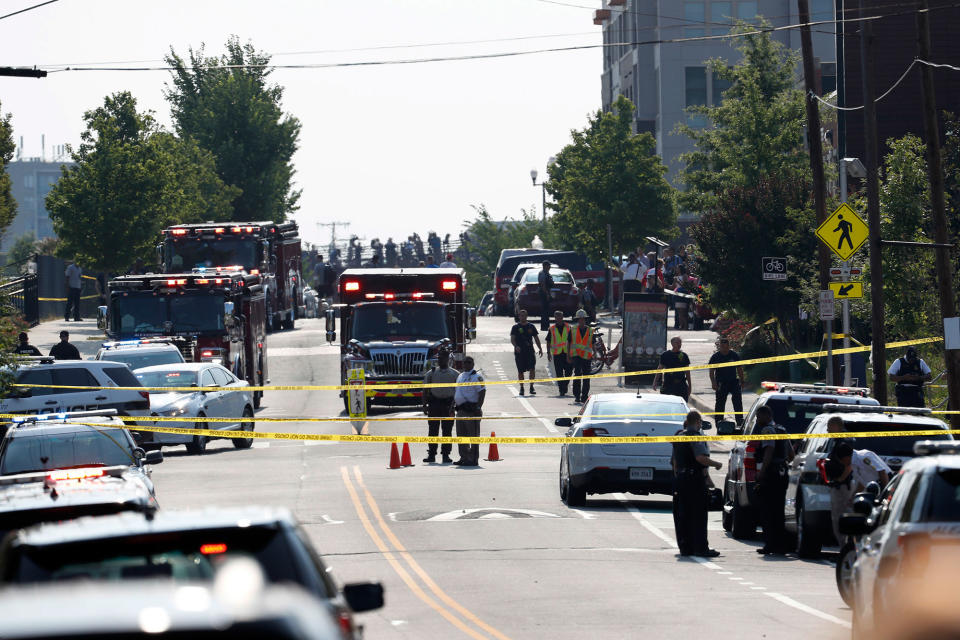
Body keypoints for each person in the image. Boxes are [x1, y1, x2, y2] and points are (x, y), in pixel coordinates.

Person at [672, 410, 723, 557]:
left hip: (681, 479)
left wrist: (678, 477)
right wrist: (716, 464)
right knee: (699, 515)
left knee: (683, 514)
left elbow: (674, 462)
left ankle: (685, 547)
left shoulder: (678, 437)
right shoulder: (697, 437)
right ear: (699, 422)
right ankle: (700, 548)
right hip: (694, 481)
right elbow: (700, 458)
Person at [754, 405, 791, 555]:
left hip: (771, 475)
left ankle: (770, 544)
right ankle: (780, 545)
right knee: (778, 512)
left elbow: (768, 452)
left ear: (767, 416)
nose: (757, 420)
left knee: (767, 511)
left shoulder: (767, 430)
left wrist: (761, 473)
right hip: (782, 475)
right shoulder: (781, 429)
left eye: (759, 416)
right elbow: (792, 454)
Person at [422, 349, 460, 464]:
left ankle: (446, 455)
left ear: (448, 359)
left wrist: (455, 406)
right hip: (434, 404)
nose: (440, 360)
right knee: (433, 431)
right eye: (439, 358)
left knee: (447, 431)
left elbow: (458, 391)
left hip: (448, 405)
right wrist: (424, 405)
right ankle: (432, 454)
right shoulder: (431, 373)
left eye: (443, 358)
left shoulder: (455, 374)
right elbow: (425, 390)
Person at [453, 356, 485, 466]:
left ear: (473, 364)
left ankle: (473, 459)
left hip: (471, 411)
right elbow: (456, 392)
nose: (466, 364)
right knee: (461, 436)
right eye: (464, 362)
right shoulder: (460, 376)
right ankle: (464, 457)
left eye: (468, 362)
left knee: (473, 436)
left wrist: (478, 407)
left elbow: (482, 392)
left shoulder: (477, 377)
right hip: (460, 410)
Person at [709, 338, 745, 428]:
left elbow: (739, 369)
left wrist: (742, 381)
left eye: (726, 346)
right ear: (719, 346)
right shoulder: (715, 357)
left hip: (733, 382)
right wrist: (713, 383)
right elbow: (711, 371)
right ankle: (719, 422)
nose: (724, 348)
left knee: (737, 401)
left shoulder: (734, 355)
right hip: (721, 382)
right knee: (720, 403)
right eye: (722, 346)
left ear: (729, 346)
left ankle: (739, 420)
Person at [511, 309, 542, 396]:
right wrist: (516, 346)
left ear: (526, 316)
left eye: (524, 315)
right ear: (519, 316)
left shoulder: (531, 326)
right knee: (520, 371)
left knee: (532, 369)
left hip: (530, 351)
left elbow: (536, 338)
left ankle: (532, 387)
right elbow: (512, 339)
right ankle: (521, 388)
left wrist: (540, 348)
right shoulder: (515, 327)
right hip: (520, 352)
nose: (522, 317)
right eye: (521, 315)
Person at [653, 337, 692, 401]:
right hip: (668, 385)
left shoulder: (684, 355)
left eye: (680, 343)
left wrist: (690, 386)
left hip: (681, 385)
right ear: (672, 344)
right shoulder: (665, 355)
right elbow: (659, 369)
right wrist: (655, 382)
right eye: (677, 343)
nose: (679, 344)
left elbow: (687, 372)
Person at [568, 309, 594, 404]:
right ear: (578, 320)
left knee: (586, 377)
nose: (581, 320)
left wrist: (594, 354)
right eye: (580, 319)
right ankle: (577, 395)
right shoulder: (573, 330)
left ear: (585, 319)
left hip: (587, 357)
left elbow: (593, 343)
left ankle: (584, 396)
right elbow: (569, 343)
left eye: (583, 319)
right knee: (577, 375)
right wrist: (568, 355)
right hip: (577, 356)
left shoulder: (590, 330)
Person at [546, 310, 572, 397]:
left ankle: (565, 384)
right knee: (559, 373)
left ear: (562, 317)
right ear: (555, 318)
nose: (559, 318)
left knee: (569, 371)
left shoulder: (569, 327)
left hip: (567, 353)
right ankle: (562, 390)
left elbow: (572, 340)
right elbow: (548, 341)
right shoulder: (552, 329)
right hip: (557, 354)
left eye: (560, 317)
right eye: (557, 317)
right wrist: (548, 353)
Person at [537, 261, 554, 331]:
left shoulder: (547, 273)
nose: (550, 267)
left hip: (547, 292)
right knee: (544, 310)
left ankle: (546, 325)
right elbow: (543, 285)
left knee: (547, 310)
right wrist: (547, 294)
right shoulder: (542, 273)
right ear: (545, 266)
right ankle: (544, 326)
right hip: (544, 293)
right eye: (548, 265)